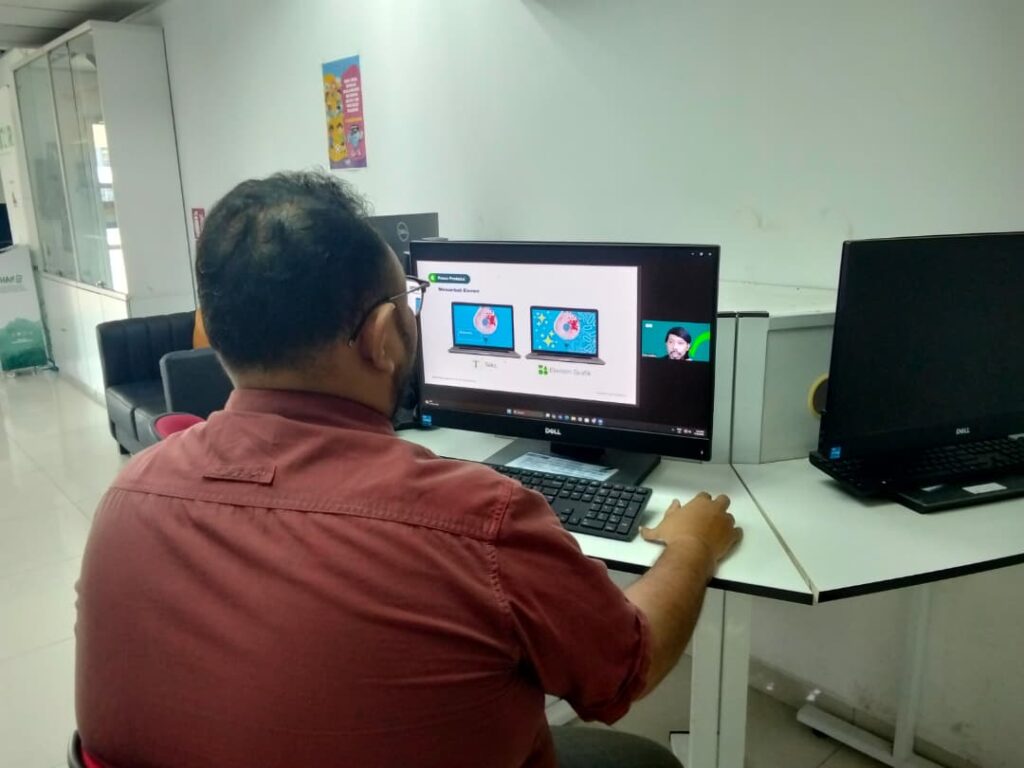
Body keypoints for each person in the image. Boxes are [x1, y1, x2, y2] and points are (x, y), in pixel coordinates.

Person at [75, 171, 741, 768]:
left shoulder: (127, 498)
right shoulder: (480, 522)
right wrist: (692, 547)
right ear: (383, 336)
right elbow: (628, 667)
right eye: (412, 301)